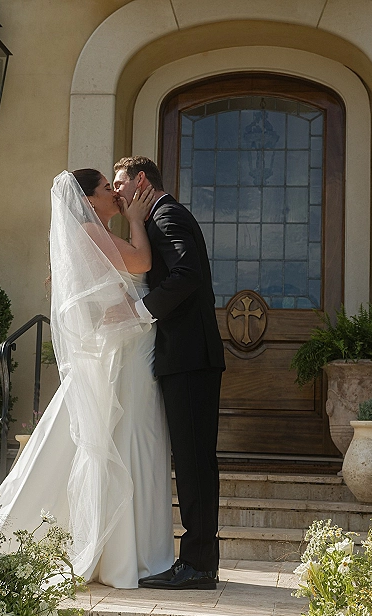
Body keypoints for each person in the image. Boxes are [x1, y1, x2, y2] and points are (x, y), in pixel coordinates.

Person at [0, 169, 174, 589]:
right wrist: (135, 222)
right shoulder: (92, 230)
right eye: (108, 189)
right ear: (91, 201)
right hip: (126, 350)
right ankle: (122, 553)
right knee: (125, 436)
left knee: (128, 436)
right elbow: (142, 263)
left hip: (133, 343)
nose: (116, 194)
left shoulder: (92, 229)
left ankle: (127, 548)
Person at [113, 156, 225, 590]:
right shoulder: (158, 217)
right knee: (193, 460)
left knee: (196, 462)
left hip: (191, 358)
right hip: (183, 358)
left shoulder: (167, 215)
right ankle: (199, 558)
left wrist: (140, 312)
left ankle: (197, 563)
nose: (118, 192)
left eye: (120, 183)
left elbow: (187, 274)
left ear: (142, 180)